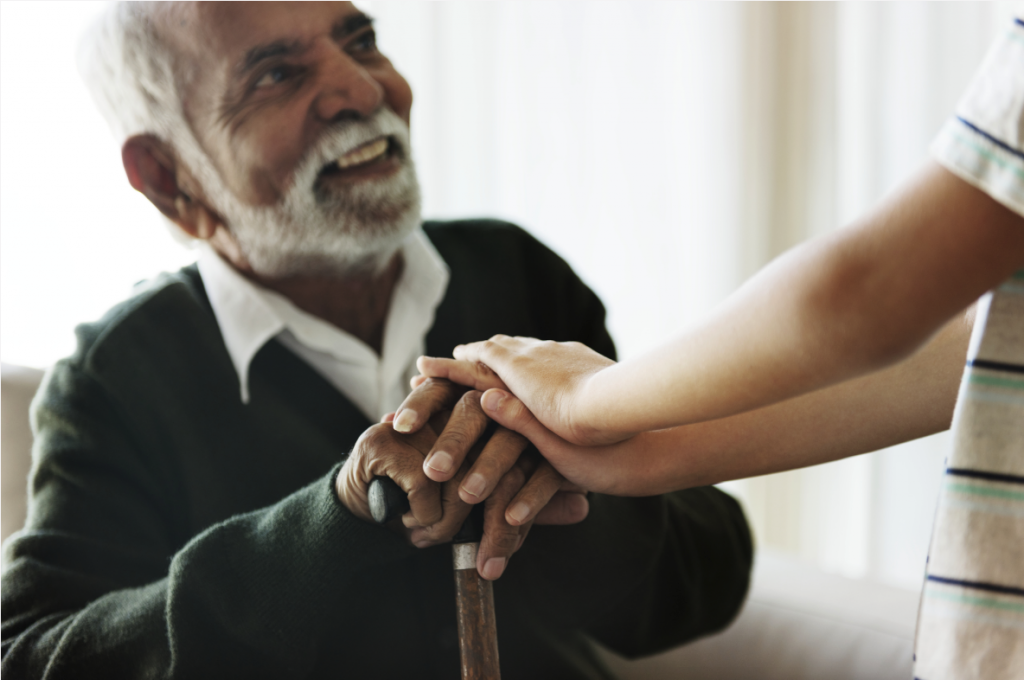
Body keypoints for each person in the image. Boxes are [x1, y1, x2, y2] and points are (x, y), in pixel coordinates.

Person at [0, 3, 753, 678]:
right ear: (168, 177)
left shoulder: (516, 271)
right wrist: (336, 518)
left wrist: (569, 483)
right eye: (276, 75)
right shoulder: (116, 380)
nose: (364, 91)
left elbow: (708, 585)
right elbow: (32, 657)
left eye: (360, 39)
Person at [417, 16, 1024, 680]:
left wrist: (588, 398)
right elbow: (974, 348)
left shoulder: (510, 267)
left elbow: (870, 294)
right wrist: (637, 452)